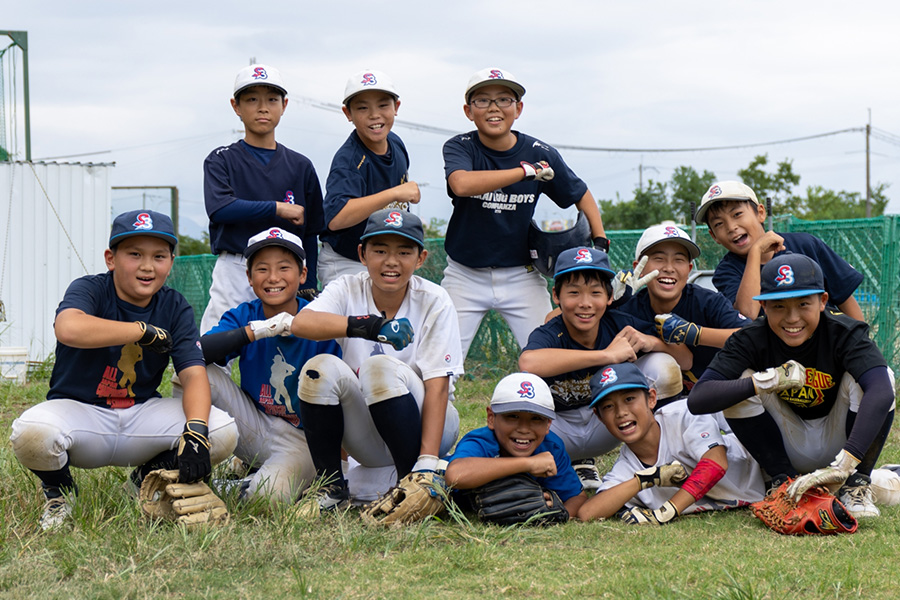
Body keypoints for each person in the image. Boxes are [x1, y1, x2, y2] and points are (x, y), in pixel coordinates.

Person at [9, 210, 238, 530]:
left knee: (222, 431)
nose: (147, 266)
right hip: (82, 415)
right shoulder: (90, 288)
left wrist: (197, 429)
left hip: (139, 414)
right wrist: (139, 331)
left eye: (159, 256)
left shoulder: (174, 305)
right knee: (32, 432)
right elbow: (69, 328)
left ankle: (143, 481)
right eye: (134, 254)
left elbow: (193, 372)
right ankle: (60, 492)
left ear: (171, 262)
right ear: (110, 258)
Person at [688, 253, 895, 519]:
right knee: (741, 379)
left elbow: (881, 389)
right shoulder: (750, 338)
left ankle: (857, 483)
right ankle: (780, 481)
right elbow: (699, 398)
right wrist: (766, 380)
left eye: (803, 304)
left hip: (843, 445)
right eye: (779, 306)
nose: (792, 317)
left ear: (822, 301)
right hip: (787, 441)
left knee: (881, 376)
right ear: (763, 307)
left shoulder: (844, 331)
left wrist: (847, 461)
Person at [291, 208, 462, 510]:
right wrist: (368, 326)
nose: (391, 261)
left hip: (429, 423)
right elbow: (302, 324)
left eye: (404, 251)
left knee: (378, 367)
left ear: (420, 258)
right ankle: (332, 487)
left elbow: (437, 386)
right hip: (370, 432)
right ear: (362, 253)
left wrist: (426, 462)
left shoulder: (434, 299)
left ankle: (411, 477)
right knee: (317, 370)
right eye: (380, 250)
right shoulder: (347, 287)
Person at [441, 67, 608, 361]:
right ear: (468, 111)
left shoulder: (538, 151)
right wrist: (524, 172)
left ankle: (560, 408)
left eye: (505, 99)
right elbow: (461, 183)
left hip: (522, 273)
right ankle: (441, 409)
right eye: (482, 100)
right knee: (442, 363)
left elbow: (580, 194)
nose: (494, 108)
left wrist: (600, 241)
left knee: (550, 353)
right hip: (464, 273)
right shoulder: (460, 146)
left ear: (518, 109)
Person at [518, 247, 692, 490]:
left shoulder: (619, 324)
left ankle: (666, 458)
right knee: (521, 386)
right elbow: (528, 363)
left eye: (595, 293)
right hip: (557, 434)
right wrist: (605, 356)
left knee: (662, 365)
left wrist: (651, 341)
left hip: (608, 425)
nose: (585, 303)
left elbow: (685, 361)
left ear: (610, 297)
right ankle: (537, 472)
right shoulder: (551, 331)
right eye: (574, 293)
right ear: (556, 296)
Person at [200, 228, 341, 503]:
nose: (273, 278)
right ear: (249, 278)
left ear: (302, 274)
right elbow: (197, 352)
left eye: (284, 268)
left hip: (303, 438)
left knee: (266, 499)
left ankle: (241, 483)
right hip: (255, 425)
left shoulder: (319, 315)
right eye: (262, 269)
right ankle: (184, 458)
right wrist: (257, 331)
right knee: (196, 373)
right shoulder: (246, 314)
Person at [201, 63, 325, 333]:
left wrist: (308, 283)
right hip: (237, 264)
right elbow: (220, 208)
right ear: (236, 106)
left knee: (289, 345)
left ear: (284, 104)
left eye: (271, 99)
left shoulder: (300, 165)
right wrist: (277, 209)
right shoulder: (221, 159)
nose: (262, 107)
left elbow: (311, 231)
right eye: (252, 99)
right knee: (214, 346)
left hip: (285, 269)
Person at [577, 362, 765, 524]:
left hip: (765, 471)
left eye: (629, 399)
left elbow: (715, 464)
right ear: (599, 417)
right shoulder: (627, 465)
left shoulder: (682, 414)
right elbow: (587, 513)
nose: (621, 412)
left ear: (651, 399)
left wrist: (666, 512)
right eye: (608, 406)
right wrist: (645, 479)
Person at [694, 180, 863, 320]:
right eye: (718, 224)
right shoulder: (726, 271)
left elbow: (844, 299)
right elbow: (747, 314)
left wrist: (863, 349)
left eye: (737, 214)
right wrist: (756, 252)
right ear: (714, 236)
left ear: (760, 213)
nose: (731, 227)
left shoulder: (806, 244)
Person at [318, 70, 421, 286]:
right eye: (363, 107)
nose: (374, 115)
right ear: (348, 113)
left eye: (383, 105)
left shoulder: (395, 143)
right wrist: (394, 193)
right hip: (346, 260)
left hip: (382, 258)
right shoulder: (349, 160)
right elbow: (336, 218)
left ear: (396, 107)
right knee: (351, 320)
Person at [618, 223, 747, 392]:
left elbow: (750, 336)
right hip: (655, 404)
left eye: (679, 260)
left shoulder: (707, 302)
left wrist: (695, 333)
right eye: (659, 259)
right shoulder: (626, 309)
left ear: (689, 269)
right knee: (660, 365)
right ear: (638, 268)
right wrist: (608, 301)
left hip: (713, 396)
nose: (669, 268)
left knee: (747, 375)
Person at [445, 372, 587, 519]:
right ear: (491, 418)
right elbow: (454, 475)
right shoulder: (481, 441)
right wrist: (528, 464)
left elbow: (577, 498)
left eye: (536, 418)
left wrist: (560, 515)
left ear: (548, 425)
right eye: (512, 416)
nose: (524, 429)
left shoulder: (551, 447)